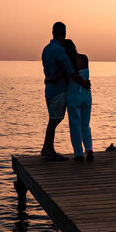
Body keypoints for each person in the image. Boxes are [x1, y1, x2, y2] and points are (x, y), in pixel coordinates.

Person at [41, 22, 90, 161]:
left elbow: (46, 70)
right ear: (64, 33)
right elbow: (70, 71)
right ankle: (48, 149)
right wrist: (84, 83)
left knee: (53, 119)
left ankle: (47, 148)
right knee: (54, 120)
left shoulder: (46, 49)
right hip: (59, 90)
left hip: (49, 90)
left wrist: (49, 80)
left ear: (52, 32)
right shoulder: (60, 50)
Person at [63, 39, 94, 162]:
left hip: (74, 95)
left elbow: (71, 76)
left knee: (75, 124)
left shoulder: (67, 62)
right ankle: (90, 150)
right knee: (85, 124)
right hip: (86, 95)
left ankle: (79, 154)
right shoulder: (84, 58)